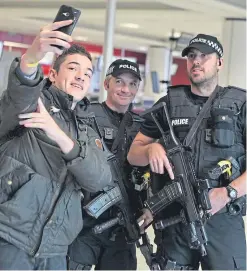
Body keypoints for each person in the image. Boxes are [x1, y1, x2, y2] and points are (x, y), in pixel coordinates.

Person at [127, 34, 246, 270]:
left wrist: (228, 193)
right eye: (191, 56)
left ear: (219, 63)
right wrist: (151, 148)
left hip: (222, 219)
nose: (197, 61)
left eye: (204, 56)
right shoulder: (168, 104)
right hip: (174, 222)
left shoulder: (240, 105)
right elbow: (133, 154)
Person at [0, 20, 112, 270]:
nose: (80, 76)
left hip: (55, 249)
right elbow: (21, 90)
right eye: (73, 68)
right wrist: (31, 57)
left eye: (87, 73)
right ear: (52, 74)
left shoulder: (88, 129)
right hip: (10, 237)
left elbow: (100, 179)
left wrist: (60, 136)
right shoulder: (33, 104)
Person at [68, 59, 153, 270]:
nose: (126, 89)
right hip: (83, 223)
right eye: (119, 82)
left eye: (133, 84)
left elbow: (151, 173)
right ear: (106, 84)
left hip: (124, 224)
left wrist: (151, 207)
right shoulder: (84, 115)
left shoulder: (143, 128)